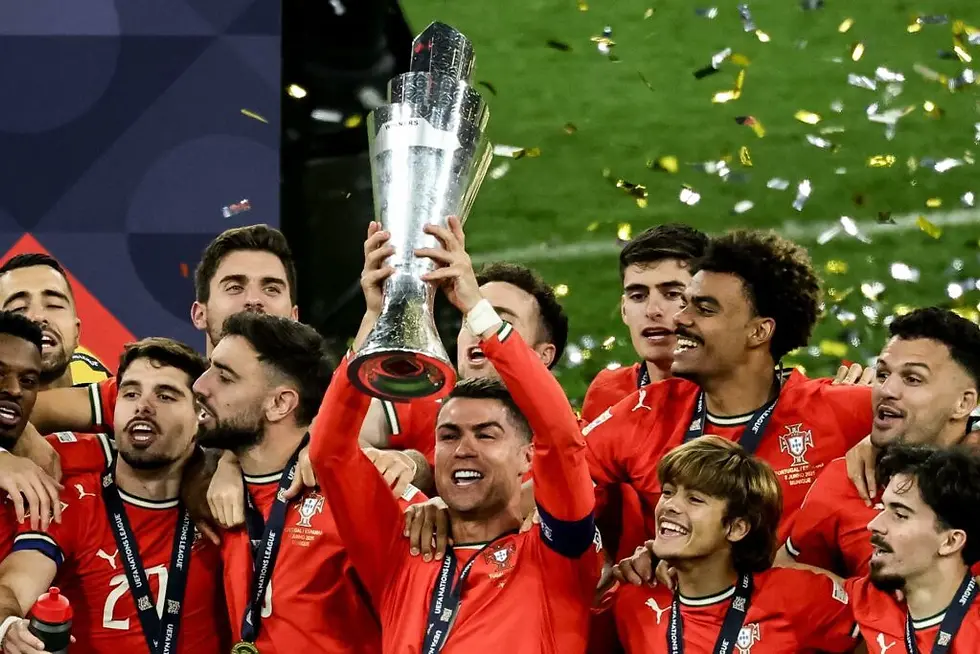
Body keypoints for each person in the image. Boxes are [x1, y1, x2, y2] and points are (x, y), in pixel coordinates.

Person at [309, 216, 601, 652]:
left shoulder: (555, 555)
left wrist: (479, 310)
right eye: (448, 436)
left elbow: (561, 440)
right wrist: (377, 319)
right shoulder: (402, 547)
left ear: (528, 455)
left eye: (486, 435)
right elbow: (330, 452)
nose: (464, 449)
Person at [581, 229, 872, 554]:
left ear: (759, 331)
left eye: (704, 309)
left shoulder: (840, 409)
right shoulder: (646, 409)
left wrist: (879, 440)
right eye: (685, 304)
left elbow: (922, 415)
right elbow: (553, 483)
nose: (679, 318)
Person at [192, 311, 426, 654]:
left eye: (224, 377)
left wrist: (435, 506)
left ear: (280, 403)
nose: (200, 386)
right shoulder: (215, 493)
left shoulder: (360, 493)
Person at [0, 337, 227, 654]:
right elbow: (13, 584)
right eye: (130, 393)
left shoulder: (222, 499)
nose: (143, 406)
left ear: (200, 416)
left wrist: (229, 463)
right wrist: (7, 626)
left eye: (165, 395)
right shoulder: (69, 501)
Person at [779, 307, 980, 577]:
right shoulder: (845, 480)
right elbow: (783, 578)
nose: (886, 390)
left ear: (964, 402)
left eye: (912, 379)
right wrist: (853, 594)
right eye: (883, 374)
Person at [610, 436, 858, 653]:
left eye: (694, 499)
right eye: (667, 492)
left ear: (737, 528)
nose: (670, 505)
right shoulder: (633, 600)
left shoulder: (798, 596)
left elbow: (875, 630)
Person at [359, 257, 569, 473]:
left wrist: (423, 470)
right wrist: (374, 316)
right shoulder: (424, 402)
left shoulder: (567, 444)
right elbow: (339, 440)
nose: (478, 330)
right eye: (469, 318)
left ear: (543, 356)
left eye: (500, 322)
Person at [846, 443, 980, 652]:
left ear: (950, 541)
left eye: (900, 515)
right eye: (882, 509)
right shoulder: (865, 600)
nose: (873, 525)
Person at [580, 223, 708, 423]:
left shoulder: (738, 397)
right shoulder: (607, 393)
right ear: (624, 309)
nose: (652, 311)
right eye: (638, 296)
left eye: (672, 294)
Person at [0, 253, 110, 390]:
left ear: (76, 332)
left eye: (54, 305)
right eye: (19, 308)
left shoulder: (101, 384)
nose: (38, 317)